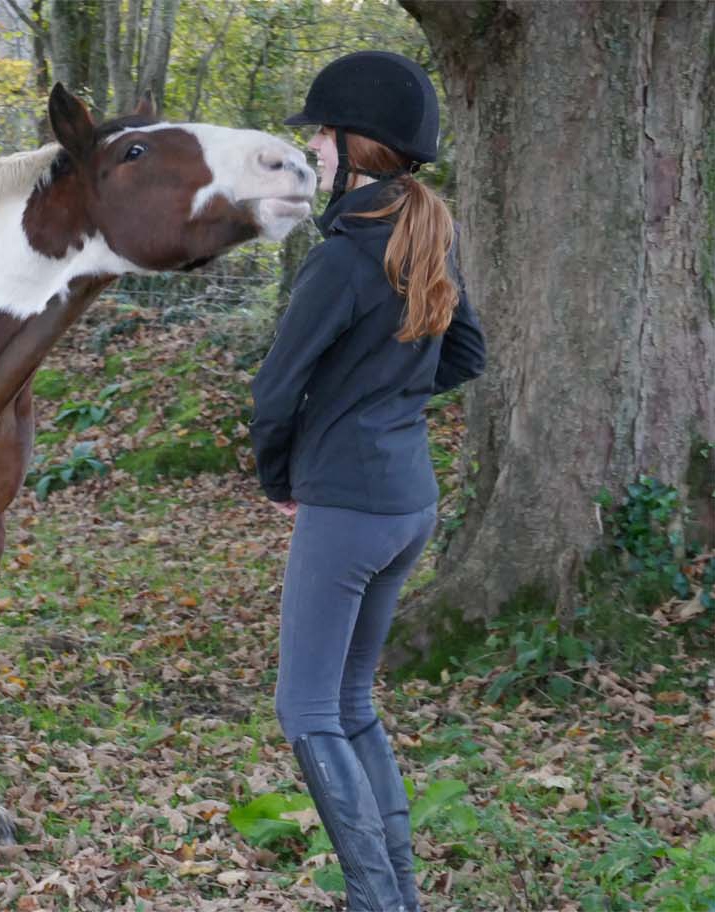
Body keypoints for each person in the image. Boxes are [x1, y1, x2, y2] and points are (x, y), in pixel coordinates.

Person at [249, 51, 487, 912]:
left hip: (348, 508)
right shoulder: (427, 234)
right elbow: (466, 352)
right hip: (410, 502)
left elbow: (275, 391)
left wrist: (282, 475)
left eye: (321, 132)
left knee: (306, 709)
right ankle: (399, 898)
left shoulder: (344, 260)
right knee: (351, 702)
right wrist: (387, 400)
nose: (311, 146)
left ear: (359, 146)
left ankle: (376, 902)